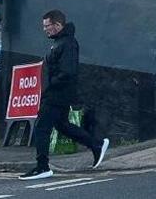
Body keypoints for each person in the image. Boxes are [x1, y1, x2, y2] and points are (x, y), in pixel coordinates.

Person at [19, 10, 110, 180]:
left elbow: (68, 71)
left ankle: (42, 167)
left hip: (56, 94)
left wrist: (51, 84)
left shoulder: (67, 43)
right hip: (56, 93)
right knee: (62, 125)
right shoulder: (60, 42)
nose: (45, 29)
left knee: (41, 128)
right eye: (44, 26)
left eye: (47, 26)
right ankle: (96, 145)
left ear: (58, 25)